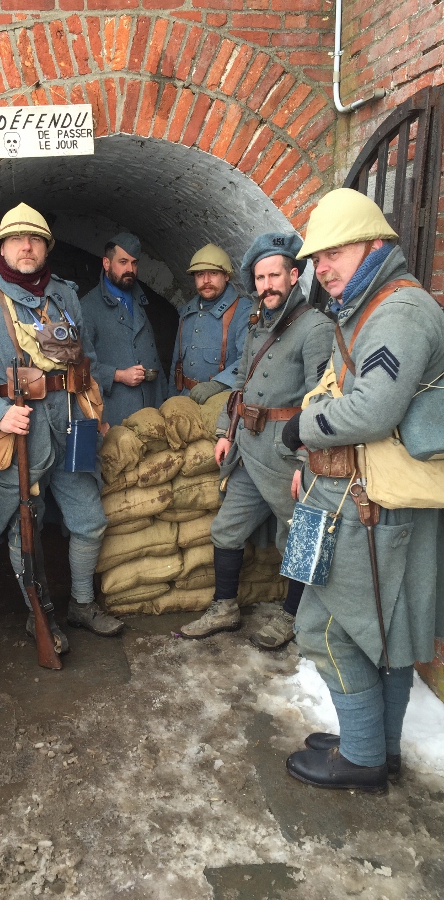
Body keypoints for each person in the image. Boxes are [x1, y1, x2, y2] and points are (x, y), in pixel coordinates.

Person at [280, 188, 444, 792]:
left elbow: (373, 410)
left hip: (371, 504)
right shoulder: (366, 307)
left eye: (334, 254)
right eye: (316, 260)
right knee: (386, 632)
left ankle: (363, 757)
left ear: (375, 245)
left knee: (327, 626)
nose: (322, 269)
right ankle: (374, 742)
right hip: (349, 492)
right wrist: (312, 457)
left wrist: (300, 428)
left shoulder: (397, 312)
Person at [0, 203, 123, 651]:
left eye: (35, 239)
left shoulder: (64, 296)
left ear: (46, 247)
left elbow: (86, 359)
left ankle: (82, 604)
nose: (26, 247)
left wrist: (94, 409)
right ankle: (39, 615)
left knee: (90, 520)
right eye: (16, 239)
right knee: (24, 527)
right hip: (19, 433)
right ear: (2, 248)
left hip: (70, 428)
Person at [180, 233, 335, 646]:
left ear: (294, 276)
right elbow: (241, 388)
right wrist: (224, 432)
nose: (267, 285)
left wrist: (306, 464)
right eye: (261, 277)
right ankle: (225, 608)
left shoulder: (316, 328)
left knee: (301, 538)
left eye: (275, 275)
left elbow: (321, 403)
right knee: (226, 530)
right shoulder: (256, 325)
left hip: (287, 457)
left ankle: (294, 617)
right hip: (248, 449)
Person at [81, 233, 166, 425]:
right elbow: (80, 366)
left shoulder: (141, 299)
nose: (130, 269)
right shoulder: (88, 307)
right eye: (123, 262)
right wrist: (119, 375)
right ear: (106, 263)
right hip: (116, 411)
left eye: (134, 263)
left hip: (152, 407)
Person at [168, 244, 251, 404]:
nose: (206, 281)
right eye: (200, 274)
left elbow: (248, 359)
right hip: (183, 401)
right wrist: (170, 400)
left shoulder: (243, 311)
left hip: (220, 404)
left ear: (226, 276)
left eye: (213, 273)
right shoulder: (186, 312)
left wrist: (217, 385)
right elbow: (176, 363)